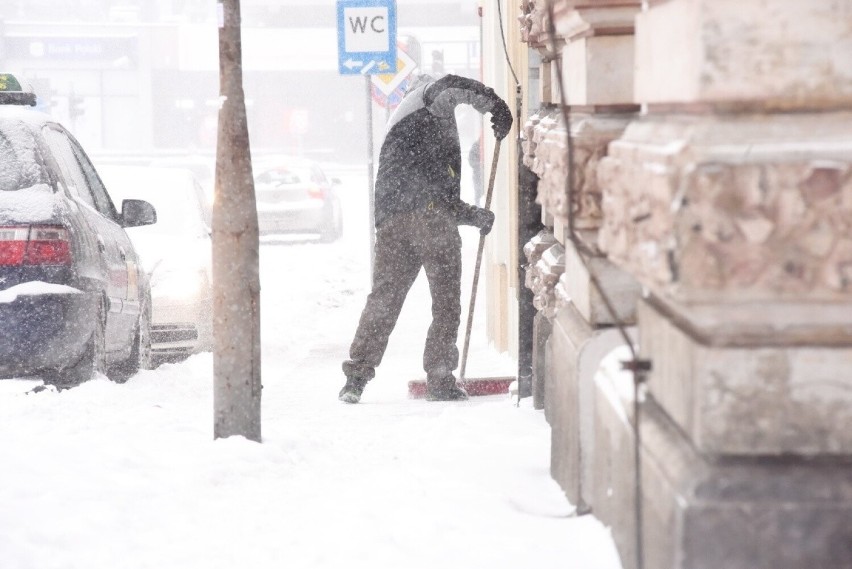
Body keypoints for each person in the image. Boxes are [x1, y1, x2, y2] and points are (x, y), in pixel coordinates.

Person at [339, 73, 513, 404]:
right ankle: (440, 378)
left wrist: (474, 215)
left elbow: (441, 195)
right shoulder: (423, 100)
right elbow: (450, 86)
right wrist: (495, 104)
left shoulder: (416, 133)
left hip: (394, 223)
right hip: (430, 223)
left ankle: (356, 378)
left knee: (385, 299)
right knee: (446, 302)